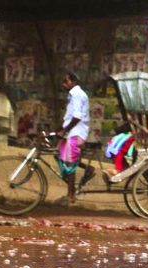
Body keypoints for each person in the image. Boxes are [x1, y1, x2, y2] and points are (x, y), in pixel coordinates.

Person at [57, 70, 91, 204]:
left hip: (75, 133)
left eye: (66, 81)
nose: (64, 84)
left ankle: (71, 195)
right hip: (71, 132)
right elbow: (69, 116)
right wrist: (59, 130)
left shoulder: (77, 95)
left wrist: (64, 131)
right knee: (59, 155)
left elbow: (77, 117)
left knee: (70, 164)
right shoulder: (73, 95)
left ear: (74, 82)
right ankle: (87, 170)